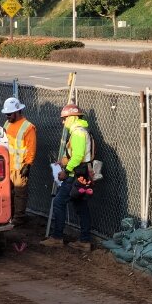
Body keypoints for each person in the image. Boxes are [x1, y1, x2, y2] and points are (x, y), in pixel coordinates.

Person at [42, 102, 95, 250]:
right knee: (81, 206)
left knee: (59, 202)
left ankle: (57, 237)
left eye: (64, 118)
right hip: (81, 175)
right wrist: (65, 161)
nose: (62, 121)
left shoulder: (78, 132)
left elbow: (78, 156)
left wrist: (66, 170)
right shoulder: (83, 130)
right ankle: (85, 241)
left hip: (73, 175)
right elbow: (78, 154)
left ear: (72, 117)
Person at [1, 95, 36, 226]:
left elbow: (31, 148)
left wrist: (28, 164)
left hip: (20, 167)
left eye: (9, 114)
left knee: (20, 194)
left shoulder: (28, 127)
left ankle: (19, 218)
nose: (7, 117)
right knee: (7, 193)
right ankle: (9, 215)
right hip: (7, 165)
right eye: (6, 114)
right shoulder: (7, 124)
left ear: (17, 112)